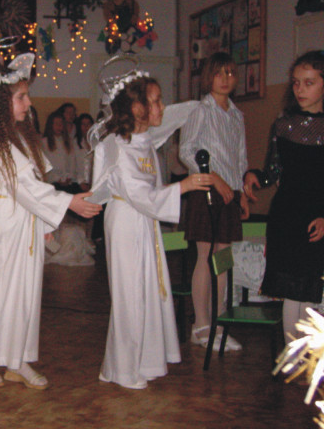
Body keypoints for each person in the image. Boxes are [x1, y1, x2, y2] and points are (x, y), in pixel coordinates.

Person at [0, 54, 101, 390]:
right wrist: (69, 202)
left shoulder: (20, 140)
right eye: (21, 97)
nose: (29, 103)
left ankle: (17, 358)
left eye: (27, 96)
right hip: (6, 222)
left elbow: (35, 186)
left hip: (26, 221)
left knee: (25, 291)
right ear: (1, 103)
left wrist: (46, 225)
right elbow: (24, 187)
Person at [93, 74, 210, 390]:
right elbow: (138, 192)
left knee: (146, 290)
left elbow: (151, 189)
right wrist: (183, 186)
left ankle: (133, 362)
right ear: (136, 107)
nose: (161, 107)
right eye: (156, 101)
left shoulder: (144, 141)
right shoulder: (117, 146)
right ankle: (124, 369)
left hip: (144, 220)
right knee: (129, 294)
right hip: (126, 221)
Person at [243, 50, 324, 342]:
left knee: (312, 292)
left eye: (309, 82)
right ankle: (295, 358)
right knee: (293, 292)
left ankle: (311, 357)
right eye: (296, 82)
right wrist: (255, 176)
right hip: (287, 217)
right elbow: (273, 171)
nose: (300, 89)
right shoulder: (284, 125)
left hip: (317, 217)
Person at [179, 52, 249, 351]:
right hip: (205, 190)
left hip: (230, 194)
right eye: (219, 73)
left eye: (230, 73)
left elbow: (241, 157)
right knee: (205, 257)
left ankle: (219, 324)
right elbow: (186, 150)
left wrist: (241, 192)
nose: (225, 79)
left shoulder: (236, 115)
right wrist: (213, 177)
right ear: (209, 77)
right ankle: (201, 325)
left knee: (223, 259)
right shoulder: (200, 110)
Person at [42, 110, 78, 192]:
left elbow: (72, 162)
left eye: (61, 124)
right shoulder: (44, 143)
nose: (59, 126)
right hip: (52, 183)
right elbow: (46, 165)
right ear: (51, 125)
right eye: (56, 124)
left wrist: (69, 177)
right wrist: (57, 179)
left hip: (68, 182)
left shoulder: (68, 142)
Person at [74, 113, 94, 191]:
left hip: (93, 181)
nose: (86, 126)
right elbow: (73, 165)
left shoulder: (97, 143)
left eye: (88, 124)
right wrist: (81, 182)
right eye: (83, 124)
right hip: (79, 183)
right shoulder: (74, 143)